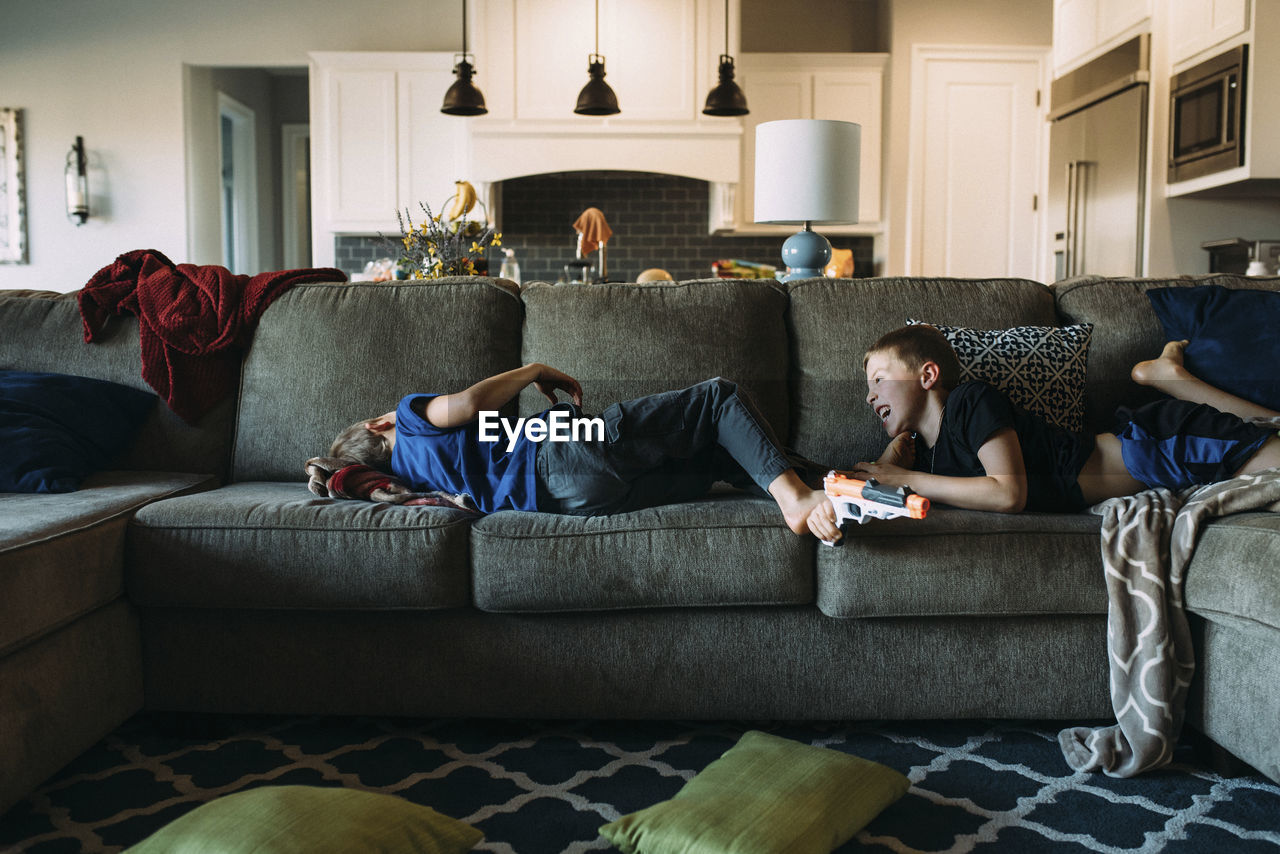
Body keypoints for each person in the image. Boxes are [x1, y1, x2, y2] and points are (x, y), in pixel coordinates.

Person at [830, 325, 1280, 526]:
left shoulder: (971, 402)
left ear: (928, 376)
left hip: (1156, 445)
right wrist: (891, 461)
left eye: (879, 380)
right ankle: (1168, 378)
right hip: (1154, 468)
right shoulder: (930, 456)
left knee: (1271, 448)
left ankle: (1167, 379)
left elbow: (1008, 492)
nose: (870, 395)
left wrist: (905, 476)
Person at [327, 363, 833, 537]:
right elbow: (470, 402)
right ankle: (796, 499)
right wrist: (533, 371)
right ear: (379, 425)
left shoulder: (413, 480)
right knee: (718, 398)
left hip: (572, 501)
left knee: (716, 454)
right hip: (563, 450)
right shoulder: (409, 420)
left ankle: (832, 488)